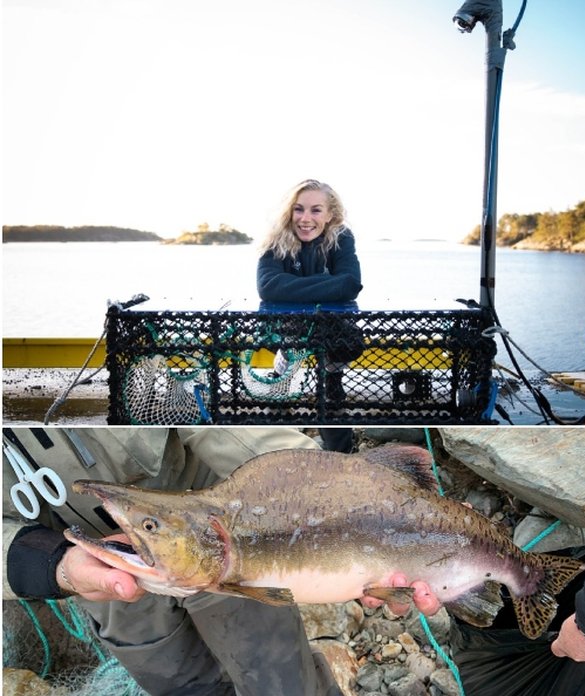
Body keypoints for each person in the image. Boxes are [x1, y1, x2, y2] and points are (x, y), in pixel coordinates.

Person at [2, 428, 439, 696]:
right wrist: (51, 564)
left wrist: (339, 487)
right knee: (181, 688)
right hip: (96, 576)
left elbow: (233, 431)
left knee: (282, 683)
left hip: (232, 544)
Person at [256, 179, 364, 403]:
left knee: (350, 341)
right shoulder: (275, 239)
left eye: (316, 210)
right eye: (298, 209)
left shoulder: (342, 237)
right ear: (289, 212)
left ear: (330, 215)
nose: (305, 219)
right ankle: (282, 375)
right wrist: (327, 282)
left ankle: (332, 376)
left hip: (331, 323)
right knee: (287, 337)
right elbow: (268, 286)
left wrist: (291, 285)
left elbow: (350, 283)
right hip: (285, 324)